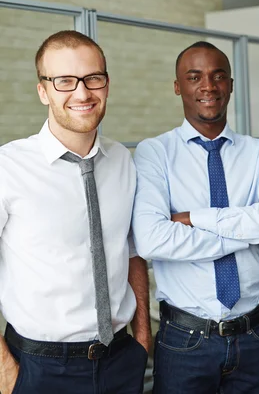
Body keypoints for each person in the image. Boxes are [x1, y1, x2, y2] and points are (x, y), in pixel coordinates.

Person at [131, 41, 259, 394]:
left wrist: (194, 218)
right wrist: (249, 230)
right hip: (184, 340)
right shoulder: (154, 153)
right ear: (178, 86)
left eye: (218, 76)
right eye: (195, 77)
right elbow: (152, 239)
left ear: (231, 84)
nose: (208, 86)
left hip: (254, 336)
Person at [0, 30, 150, 394]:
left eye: (92, 78)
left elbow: (129, 252)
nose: (82, 93)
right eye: (65, 81)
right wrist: (4, 368)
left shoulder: (123, 162)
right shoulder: (7, 167)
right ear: (43, 91)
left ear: (107, 84)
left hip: (120, 360)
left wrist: (143, 336)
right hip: (37, 368)